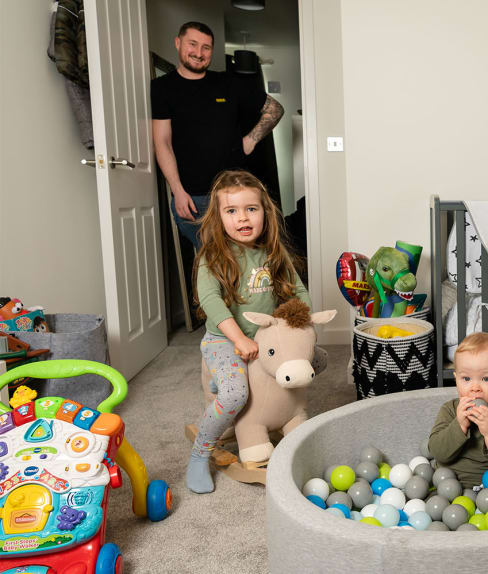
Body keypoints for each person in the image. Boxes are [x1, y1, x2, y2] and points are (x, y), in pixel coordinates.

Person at [187, 170, 309, 494]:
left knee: (315, 362)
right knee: (234, 394)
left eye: (251, 209)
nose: (242, 217)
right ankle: (200, 453)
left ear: (264, 213)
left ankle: (283, 417)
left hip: (264, 339)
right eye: (231, 211)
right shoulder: (212, 256)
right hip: (224, 340)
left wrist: (301, 326)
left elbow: (299, 292)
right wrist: (239, 339)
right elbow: (211, 302)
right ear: (219, 217)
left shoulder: (273, 252)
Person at [151, 21, 284, 251]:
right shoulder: (162, 88)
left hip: (235, 195)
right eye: (193, 44)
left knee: (242, 258)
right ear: (178, 43)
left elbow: (275, 109)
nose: (199, 53)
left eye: (206, 47)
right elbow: (162, 143)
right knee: (211, 260)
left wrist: (250, 140)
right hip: (193, 198)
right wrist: (178, 191)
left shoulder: (228, 84)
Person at [427, 332, 488, 488]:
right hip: (447, 487)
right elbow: (437, 452)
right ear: (456, 379)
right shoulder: (450, 410)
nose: (475, 388)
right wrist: (459, 425)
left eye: (486, 379)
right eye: (466, 378)